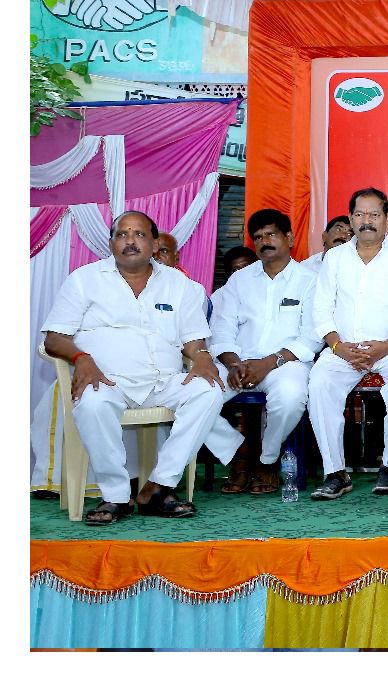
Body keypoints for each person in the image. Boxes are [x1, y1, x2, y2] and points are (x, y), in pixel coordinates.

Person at [40, 211, 236, 524]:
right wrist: (81, 358)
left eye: (139, 234)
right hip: (107, 381)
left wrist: (201, 355)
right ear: (111, 243)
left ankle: (158, 486)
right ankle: (116, 496)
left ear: (155, 244)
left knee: (208, 391)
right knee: (92, 405)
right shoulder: (84, 280)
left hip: (162, 382)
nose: (130, 241)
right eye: (122, 234)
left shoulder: (179, 284)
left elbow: (193, 338)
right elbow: (54, 338)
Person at [308, 188, 388, 500]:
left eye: (374, 214)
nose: (367, 221)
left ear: (387, 219)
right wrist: (338, 347)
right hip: (343, 349)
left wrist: (383, 348)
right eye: (360, 215)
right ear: (351, 219)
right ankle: (335, 472)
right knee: (319, 381)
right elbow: (321, 310)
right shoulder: (334, 258)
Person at [209, 208, 320, 496]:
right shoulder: (239, 281)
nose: (264, 241)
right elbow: (221, 329)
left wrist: (268, 363)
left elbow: (312, 337)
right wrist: (234, 363)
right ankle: (239, 451)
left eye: (271, 234)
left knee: (291, 396)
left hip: (286, 363)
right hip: (238, 364)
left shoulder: (310, 280)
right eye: (258, 237)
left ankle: (266, 460)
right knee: (192, 395)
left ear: (289, 238)